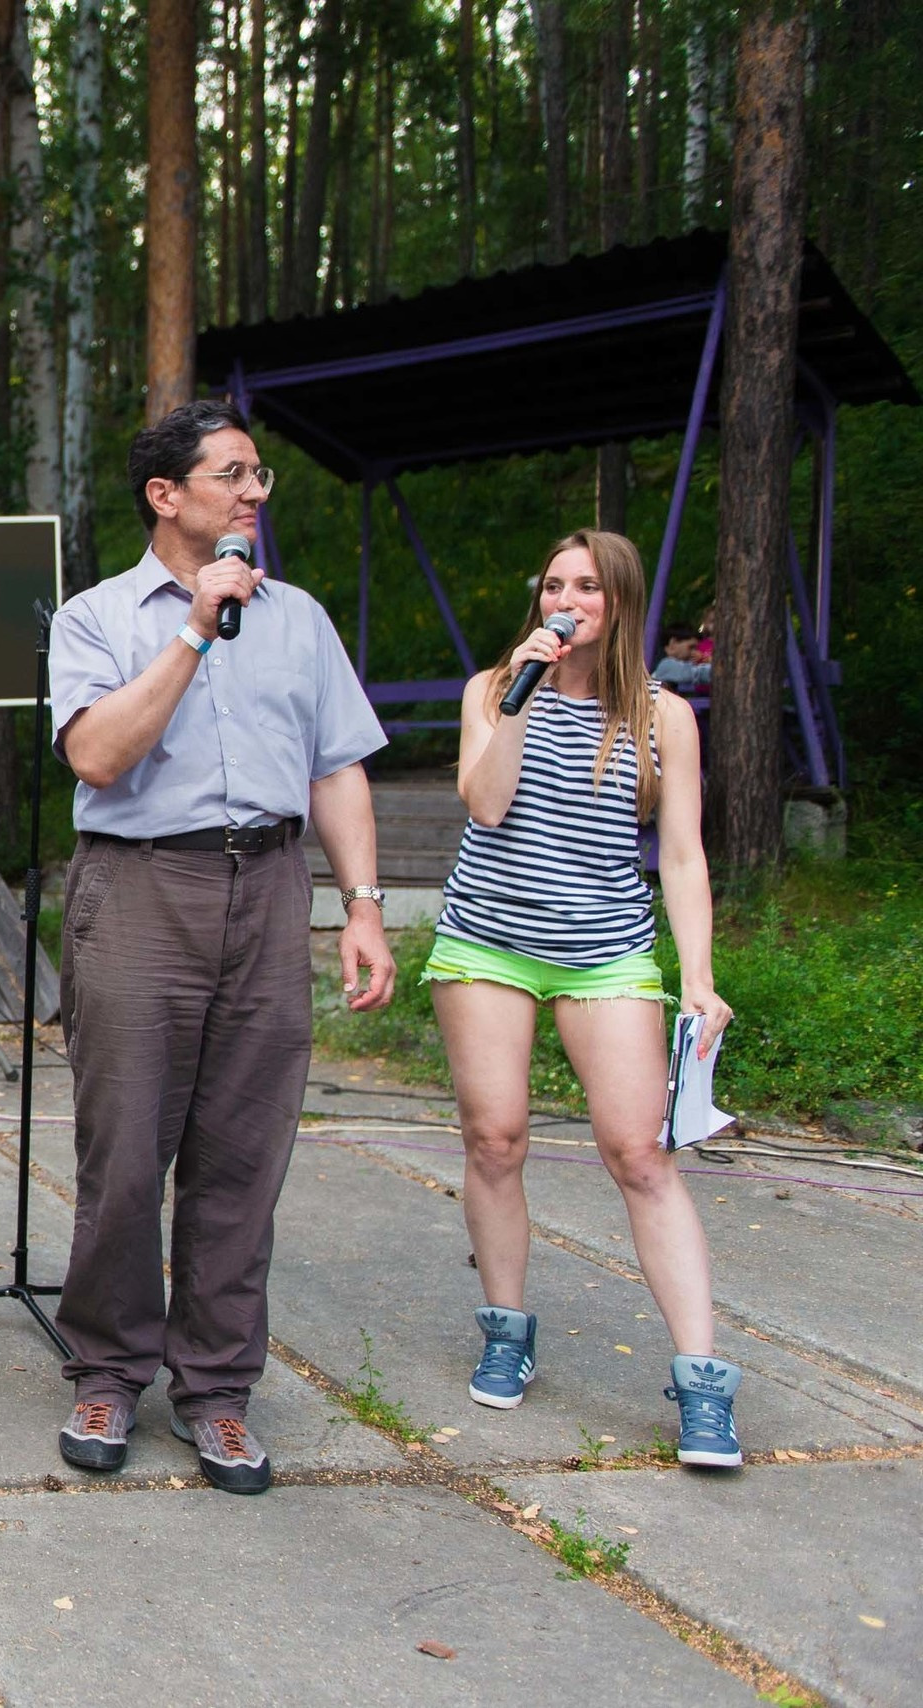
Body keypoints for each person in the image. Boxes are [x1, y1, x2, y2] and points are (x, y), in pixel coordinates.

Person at [48, 398, 395, 1496]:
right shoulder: (96, 617)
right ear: (167, 494)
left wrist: (364, 906)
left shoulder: (298, 617)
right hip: (143, 889)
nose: (254, 493)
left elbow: (337, 764)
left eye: (260, 477)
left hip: (270, 887)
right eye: (234, 474)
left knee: (244, 1160)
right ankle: (107, 1367)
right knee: (123, 1157)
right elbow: (98, 755)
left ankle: (218, 1391)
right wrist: (194, 629)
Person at [428, 530, 741, 1466]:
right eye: (554, 582)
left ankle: (703, 1385)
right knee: (496, 1137)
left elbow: (681, 854)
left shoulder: (661, 715)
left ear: (620, 603)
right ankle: (508, 1329)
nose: (565, 599)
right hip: (487, 942)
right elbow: (483, 805)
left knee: (641, 1152)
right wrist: (520, 694)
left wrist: (698, 977)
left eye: (587, 587)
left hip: (605, 950)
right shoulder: (492, 689)